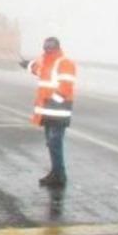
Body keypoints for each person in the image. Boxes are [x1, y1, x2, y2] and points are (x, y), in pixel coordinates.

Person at [18, 36, 77, 188]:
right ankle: (55, 172)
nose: (48, 49)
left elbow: (66, 86)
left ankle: (59, 175)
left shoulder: (64, 62)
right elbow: (39, 70)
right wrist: (28, 65)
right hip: (48, 111)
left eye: (51, 46)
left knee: (55, 143)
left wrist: (54, 101)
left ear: (58, 47)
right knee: (51, 144)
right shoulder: (46, 62)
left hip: (58, 111)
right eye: (46, 46)